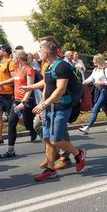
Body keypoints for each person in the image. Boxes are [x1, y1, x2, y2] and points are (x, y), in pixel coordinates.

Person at [32, 41, 86, 181]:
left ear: (46, 53)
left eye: (40, 50)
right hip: (49, 108)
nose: (39, 53)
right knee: (48, 139)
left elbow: (60, 89)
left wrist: (44, 104)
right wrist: (41, 104)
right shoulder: (49, 67)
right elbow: (47, 87)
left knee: (55, 140)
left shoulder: (61, 66)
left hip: (61, 107)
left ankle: (78, 153)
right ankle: (51, 169)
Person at [0, 49, 38, 159]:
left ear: (19, 59)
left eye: (14, 58)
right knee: (11, 123)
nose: (12, 60)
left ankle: (39, 134)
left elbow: (30, 88)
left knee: (29, 124)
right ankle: (10, 150)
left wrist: (24, 102)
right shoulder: (17, 69)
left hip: (26, 101)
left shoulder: (29, 70)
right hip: (16, 101)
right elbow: (14, 81)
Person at [78, 54, 107, 134]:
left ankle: (88, 127)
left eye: (94, 60)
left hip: (104, 91)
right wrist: (82, 83)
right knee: (104, 108)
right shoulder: (95, 70)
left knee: (95, 108)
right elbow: (91, 78)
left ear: (99, 60)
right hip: (98, 91)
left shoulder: (106, 70)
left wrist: (101, 83)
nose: (93, 61)